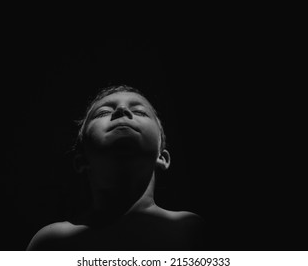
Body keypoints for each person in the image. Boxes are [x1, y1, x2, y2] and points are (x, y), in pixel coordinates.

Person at [26, 85, 205, 250]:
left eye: (140, 112)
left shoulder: (191, 230)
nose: (122, 110)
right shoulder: (52, 242)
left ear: (162, 157)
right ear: (81, 161)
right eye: (103, 113)